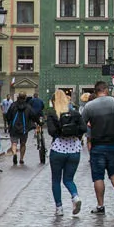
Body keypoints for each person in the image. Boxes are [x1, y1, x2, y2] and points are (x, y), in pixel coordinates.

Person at [78, 80, 114, 214]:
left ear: (95, 91)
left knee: (98, 177)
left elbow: (81, 124)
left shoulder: (89, 106)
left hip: (97, 146)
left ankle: (100, 206)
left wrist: (82, 135)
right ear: (106, 90)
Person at [45, 88, 85, 216]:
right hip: (74, 150)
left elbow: (51, 131)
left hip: (58, 150)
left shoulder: (52, 113)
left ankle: (59, 208)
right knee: (68, 179)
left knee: (56, 180)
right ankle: (75, 196)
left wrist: (60, 133)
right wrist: (76, 135)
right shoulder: (75, 113)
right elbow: (83, 128)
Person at [6, 92, 37, 166]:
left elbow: (8, 115)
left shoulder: (13, 105)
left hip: (14, 128)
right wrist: (37, 122)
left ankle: (14, 154)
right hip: (24, 128)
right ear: (25, 98)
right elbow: (33, 116)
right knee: (23, 144)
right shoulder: (28, 106)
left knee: (14, 143)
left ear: (18, 97)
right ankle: (21, 159)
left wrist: (9, 123)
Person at [29, 92, 46, 165]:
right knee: (40, 122)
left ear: (33, 96)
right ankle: (40, 129)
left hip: (33, 113)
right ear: (38, 96)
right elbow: (43, 107)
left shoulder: (31, 100)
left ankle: (36, 130)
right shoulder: (40, 100)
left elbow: (29, 107)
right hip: (40, 113)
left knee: (35, 122)